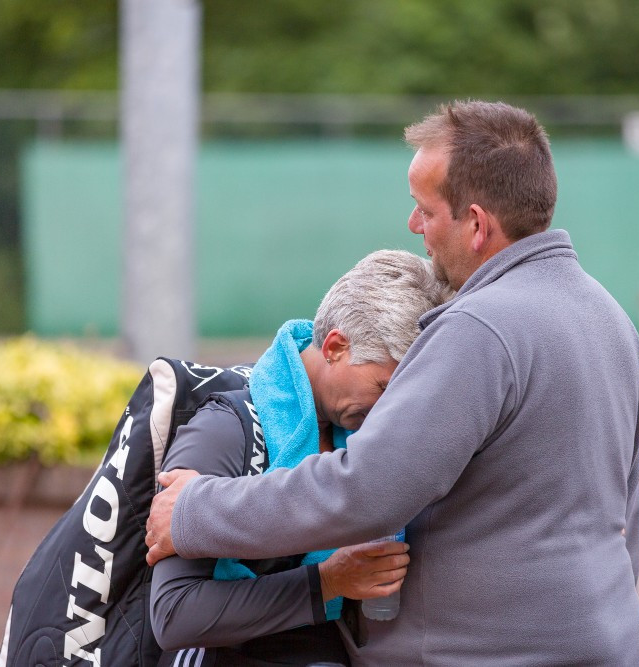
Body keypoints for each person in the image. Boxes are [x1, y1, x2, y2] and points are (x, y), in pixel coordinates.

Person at [147, 100, 639, 665]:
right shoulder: (610, 320)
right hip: (607, 643)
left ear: (476, 224)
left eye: (425, 210)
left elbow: (364, 491)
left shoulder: (479, 327)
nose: (414, 226)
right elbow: (624, 518)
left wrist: (196, 511)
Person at [150, 249, 452, 666]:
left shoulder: (366, 441)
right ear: (335, 346)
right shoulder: (226, 427)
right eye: (384, 388)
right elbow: (173, 615)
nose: (391, 411)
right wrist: (327, 582)